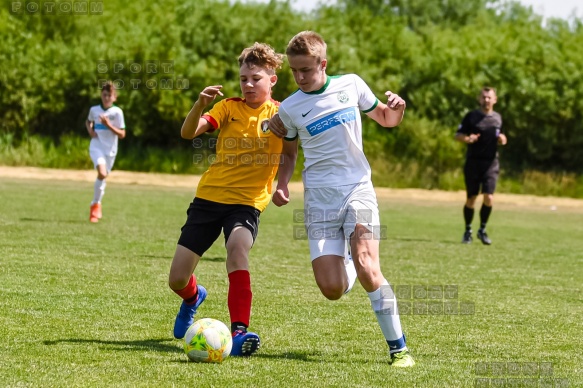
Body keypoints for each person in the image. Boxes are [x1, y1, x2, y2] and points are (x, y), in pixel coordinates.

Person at [269, 31, 415, 367]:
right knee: (332, 289)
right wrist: (282, 184)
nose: (300, 77)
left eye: (306, 69)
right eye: (294, 71)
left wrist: (399, 109)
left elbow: (386, 119)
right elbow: (289, 154)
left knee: (368, 264)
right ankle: (347, 261)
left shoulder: (351, 84)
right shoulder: (290, 108)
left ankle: (399, 350)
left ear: (323, 63)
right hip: (320, 201)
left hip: (357, 188)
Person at [168, 42, 284, 357]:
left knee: (237, 248)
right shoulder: (228, 107)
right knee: (177, 278)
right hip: (209, 198)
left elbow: (293, 148)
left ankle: (239, 332)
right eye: (243, 78)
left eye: (255, 78)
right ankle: (193, 297)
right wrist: (199, 105)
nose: (247, 84)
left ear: (272, 80)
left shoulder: (281, 114)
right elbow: (188, 133)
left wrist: (283, 183)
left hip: (247, 203)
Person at [455, 87, 507, 245]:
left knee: (489, 197)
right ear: (479, 99)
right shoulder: (471, 117)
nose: (486, 100)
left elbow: (502, 135)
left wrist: (503, 139)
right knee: (471, 198)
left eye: (489, 97)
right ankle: (468, 230)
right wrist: (467, 138)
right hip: (473, 162)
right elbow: (458, 135)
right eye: (484, 97)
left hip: (491, 163)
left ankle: (482, 230)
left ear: (495, 100)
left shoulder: (498, 118)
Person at [86, 81, 126, 223]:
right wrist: (90, 130)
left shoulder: (117, 112)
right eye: (104, 95)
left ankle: (96, 204)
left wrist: (108, 125)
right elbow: (88, 121)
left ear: (114, 97)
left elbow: (122, 134)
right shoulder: (94, 110)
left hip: (111, 151)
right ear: (101, 95)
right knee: (102, 173)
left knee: (103, 177)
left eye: (110, 95)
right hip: (96, 146)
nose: (107, 98)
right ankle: (95, 206)